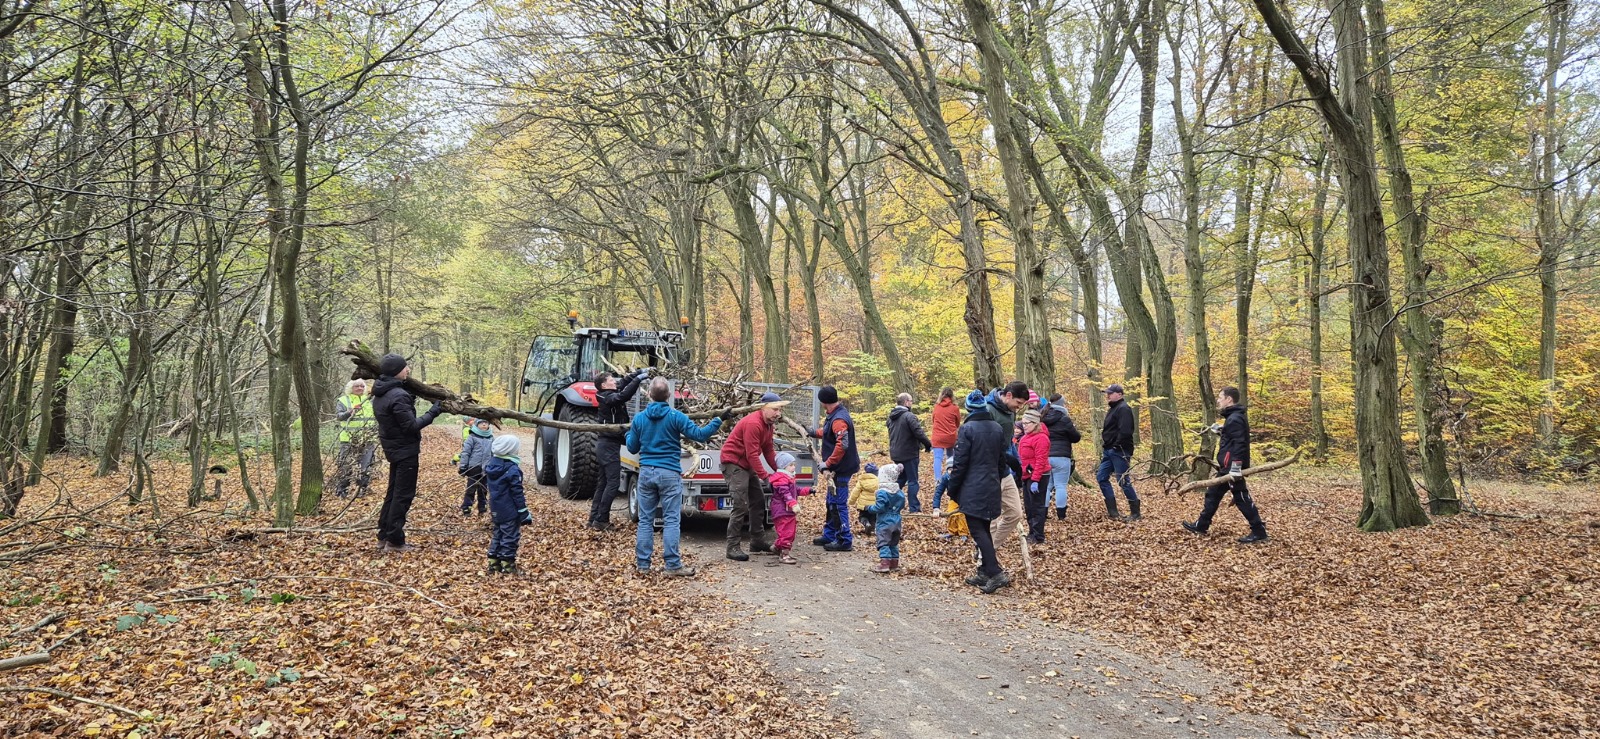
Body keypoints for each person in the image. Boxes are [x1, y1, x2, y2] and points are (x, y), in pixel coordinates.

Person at [626, 377, 725, 576]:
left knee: (645, 520)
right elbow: (700, 435)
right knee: (671, 520)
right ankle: (672, 565)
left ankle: (643, 565)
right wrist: (718, 419)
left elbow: (632, 447)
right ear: (669, 395)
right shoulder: (675, 416)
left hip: (646, 473)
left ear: (649, 395)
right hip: (669, 473)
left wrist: (628, 434)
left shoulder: (639, 418)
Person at [372, 353, 443, 553]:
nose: (408, 370)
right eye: (405, 368)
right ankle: (395, 540)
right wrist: (434, 412)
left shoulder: (381, 392)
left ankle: (384, 535)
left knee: (393, 493)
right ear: (396, 372)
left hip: (394, 450)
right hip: (405, 452)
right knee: (402, 495)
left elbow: (397, 419)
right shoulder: (397, 395)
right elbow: (411, 426)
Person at [946, 387, 1014, 594]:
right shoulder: (996, 427)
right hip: (992, 484)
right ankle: (985, 571)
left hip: (973, 487)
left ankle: (995, 572)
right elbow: (1002, 460)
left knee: (978, 531)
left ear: (968, 409)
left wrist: (952, 489)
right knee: (984, 529)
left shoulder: (967, 430)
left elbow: (960, 464)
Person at [1184, 387, 1269, 543]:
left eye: (1220, 397)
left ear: (1229, 399)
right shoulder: (1233, 417)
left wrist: (1236, 466)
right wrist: (1221, 431)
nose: (1218, 400)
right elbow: (1232, 438)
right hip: (1227, 466)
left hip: (1232, 467)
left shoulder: (1235, 418)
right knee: (1213, 494)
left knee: (1241, 497)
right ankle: (1201, 525)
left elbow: (1239, 444)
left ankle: (1259, 531)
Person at [720, 391, 789, 560]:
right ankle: (732, 547)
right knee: (740, 504)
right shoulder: (753, 423)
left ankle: (757, 541)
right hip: (733, 462)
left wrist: (781, 470)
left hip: (746, 464)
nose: (778, 414)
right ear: (763, 408)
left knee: (758, 501)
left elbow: (768, 450)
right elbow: (752, 454)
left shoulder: (768, 425)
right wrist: (766, 477)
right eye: (775, 409)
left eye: (780, 410)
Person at [589, 368, 648, 531]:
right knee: (613, 483)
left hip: (606, 444)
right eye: (610, 380)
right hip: (608, 445)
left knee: (603, 483)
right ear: (603, 385)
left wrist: (638, 373)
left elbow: (623, 383)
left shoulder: (607, 392)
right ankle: (601, 520)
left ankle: (594, 518)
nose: (614, 381)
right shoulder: (606, 396)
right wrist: (639, 380)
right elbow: (624, 396)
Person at [809, 386, 860, 551]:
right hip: (837, 468)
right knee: (830, 502)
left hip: (842, 469)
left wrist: (828, 463)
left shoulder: (839, 419)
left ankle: (844, 540)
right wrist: (812, 432)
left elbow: (842, 444)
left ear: (824, 402)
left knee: (838, 504)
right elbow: (827, 432)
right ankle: (830, 534)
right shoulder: (835, 415)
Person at [985, 382, 1031, 547]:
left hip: (1005, 470)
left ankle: (990, 547)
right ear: (1009, 395)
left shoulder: (1010, 412)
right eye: (1018, 403)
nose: (1018, 408)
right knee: (992, 517)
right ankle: (985, 556)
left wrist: (1017, 465)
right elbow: (983, 444)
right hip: (989, 472)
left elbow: (1010, 442)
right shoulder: (988, 410)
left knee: (1015, 513)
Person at [485, 434, 532, 574]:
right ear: (510, 450)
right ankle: (507, 564)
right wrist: (523, 511)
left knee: (498, 533)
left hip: (495, 507)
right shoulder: (512, 469)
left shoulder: (491, 465)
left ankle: (493, 562)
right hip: (509, 509)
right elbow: (517, 493)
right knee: (510, 536)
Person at [1096, 383, 1140, 521]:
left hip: (1120, 450)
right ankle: (1113, 512)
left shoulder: (1123, 409)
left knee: (1122, 480)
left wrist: (1116, 446)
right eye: (1107, 393)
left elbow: (1126, 431)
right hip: (1109, 450)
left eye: (1110, 393)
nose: (1107, 395)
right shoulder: (1113, 409)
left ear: (1119, 394)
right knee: (1101, 477)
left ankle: (1136, 513)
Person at [886, 393, 933, 513]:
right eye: (911, 401)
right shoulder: (909, 416)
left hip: (896, 453)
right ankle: (914, 508)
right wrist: (928, 444)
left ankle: (890, 503)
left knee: (901, 479)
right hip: (909, 453)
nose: (912, 403)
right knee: (912, 480)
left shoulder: (891, 417)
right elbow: (918, 432)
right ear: (906, 402)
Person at [332, 378, 377, 498]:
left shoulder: (369, 400)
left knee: (366, 466)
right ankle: (342, 491)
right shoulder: (343, 400)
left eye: (362, 386)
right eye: (357, 386)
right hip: (348, 440)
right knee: (345, 466)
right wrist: (349, 413)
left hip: (367, 439)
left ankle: (362, 490)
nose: (360, 388)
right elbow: (339, 417)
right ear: (351, 388)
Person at [1040, 394, 1082, 520]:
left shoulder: (1042, 417)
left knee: (1047, 485)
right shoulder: (1064, 419)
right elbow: (1076, 437)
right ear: (1061, 404)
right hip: (1062, 457)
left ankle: (1043, 512)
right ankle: (1061, 514)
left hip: (1046, 455)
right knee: (1060, 486)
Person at [1017, 409, 1051, 545]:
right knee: (1029, 506)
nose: (1024, 425)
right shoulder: (1025, 437)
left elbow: (1041, 461)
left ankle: (1038, 535)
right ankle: (1032, 531)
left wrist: (1035, 480)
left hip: (1039, 476)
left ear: (1035, 423)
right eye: (1023, 423)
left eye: (1027, 423)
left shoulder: (1041, 438)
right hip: (1027, 475)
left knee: (1037, 506)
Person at [864, 462, 906, 573]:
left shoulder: (882, 492)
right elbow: (902, 504)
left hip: (885, 520)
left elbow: (880, 507)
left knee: (884, 542)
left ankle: (884, 564)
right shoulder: (899, 491)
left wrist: (869, 508)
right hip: (897, 519)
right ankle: (894, 563)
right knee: (893, 543)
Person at [768, 452, 803, 565]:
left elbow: (796, 490)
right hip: (783, 511)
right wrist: (793, 504)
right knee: (787, 533)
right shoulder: (781, 480)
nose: (794, 467)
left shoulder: (788, 478)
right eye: (791, 465)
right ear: (784, 466)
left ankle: (777, 547)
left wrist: (808, 490)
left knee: (788, 531)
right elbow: (786, 494)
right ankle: (784, 555)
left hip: (787, 510)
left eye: (794, 464)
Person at [458, 418, 493, 516]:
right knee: (471, 488)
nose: (484, 425)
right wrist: (463, 466)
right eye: (481, 423)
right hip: (473, 467)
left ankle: (482, 508)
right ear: (477, 425)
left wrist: (493, 466)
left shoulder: (490, 438)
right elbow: (466, 452)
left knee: (483, 489)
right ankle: (466, 507)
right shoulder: (472, 437)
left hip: (485, 469)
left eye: (486, 423)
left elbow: (493, 453)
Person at [930, 387, 962, 481]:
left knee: (937, 458)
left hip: (937, 436)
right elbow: (957, 423)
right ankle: (951, 476)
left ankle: (938, 480)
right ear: (952, 396)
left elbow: (933, 420)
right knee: (950, 456)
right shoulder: (955, 408)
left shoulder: (936, 407)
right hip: (950, 436)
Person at [851, 462, 880, 528]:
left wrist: (851, 501)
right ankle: (873, 527)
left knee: (863, 517)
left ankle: (866, 523)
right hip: (875, 505)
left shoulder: (862, 481)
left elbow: (855, 492)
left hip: (864, 506)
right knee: (873, 518)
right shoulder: (879, 481)